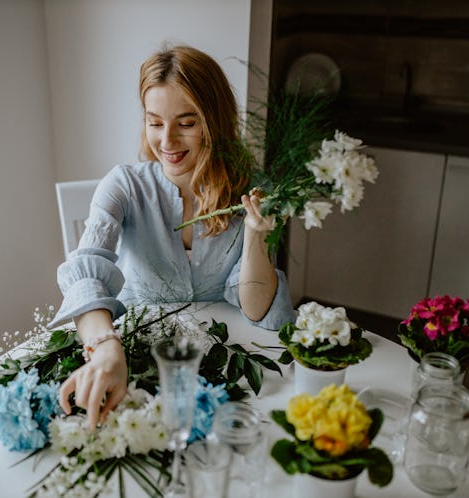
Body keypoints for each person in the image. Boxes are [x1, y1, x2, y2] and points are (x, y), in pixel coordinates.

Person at [53, 45, 294, 427]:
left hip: (230, 366)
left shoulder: (253, 192)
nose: (166, 141)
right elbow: (86, 271)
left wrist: (255, 235)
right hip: (133, 359)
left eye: (186, 122)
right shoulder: (124, 185)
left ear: (214, 122)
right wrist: (105, 348)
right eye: (154, 122)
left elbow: (256, 307)